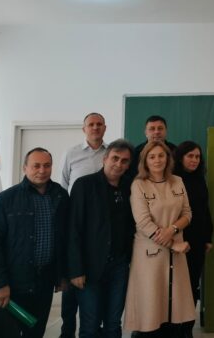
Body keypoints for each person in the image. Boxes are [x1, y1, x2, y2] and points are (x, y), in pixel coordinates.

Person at [0, 148, 69, 338]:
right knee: (9, 333)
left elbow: (65, 238)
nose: (42, 170)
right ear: (25, 168)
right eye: (36, 166)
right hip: (14, 282)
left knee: (36, 332)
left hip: (44, 281)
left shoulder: (60, 196)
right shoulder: (5, 200)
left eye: (46, 165)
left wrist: (62, 274)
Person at [124, 141, 194, 337]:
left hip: (176, 252)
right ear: (145, 161)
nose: (157, 160)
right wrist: (173, 244)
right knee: (151, 306)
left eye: (161, 156)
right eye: (152, 156)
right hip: (150, 253)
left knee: (174, 307)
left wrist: (172, 229)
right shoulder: (139, 185)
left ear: (168, 158)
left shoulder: (178, 181)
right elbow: (143, 223)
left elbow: (187, 213)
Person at [67, 139, 135, 338]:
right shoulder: (84, 185)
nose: (118, 164)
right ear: (105, 159)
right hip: (90, 267)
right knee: (91, 324)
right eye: (115, 158)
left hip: (119, 266)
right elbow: (73, 229)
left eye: (124, 161)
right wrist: (76, 270)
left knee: (113, 324)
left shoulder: (130, 187)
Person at [59, 111, 108, 338]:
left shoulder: (111, 153)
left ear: (105, 128)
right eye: (91, 124)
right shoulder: (71, 154)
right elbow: (64, 186)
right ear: (84, 129)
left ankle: (93, 329)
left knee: (95, 290)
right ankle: (67, 331)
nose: (95, 127)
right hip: (76, 221)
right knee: (71, 289)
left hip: (101, 226)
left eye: (99, 124)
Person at [173, 141, 214, 327]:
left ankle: (187, 327)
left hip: (197, 241)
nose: (194, 160)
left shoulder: (199, 179)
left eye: (197, 156)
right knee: (177, 286)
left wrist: (208, 238)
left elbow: (205, 210)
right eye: (190, 156)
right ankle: (174, 327)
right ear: (180, 158)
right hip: (177, 240)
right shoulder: (172, 179)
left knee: (192, 285)